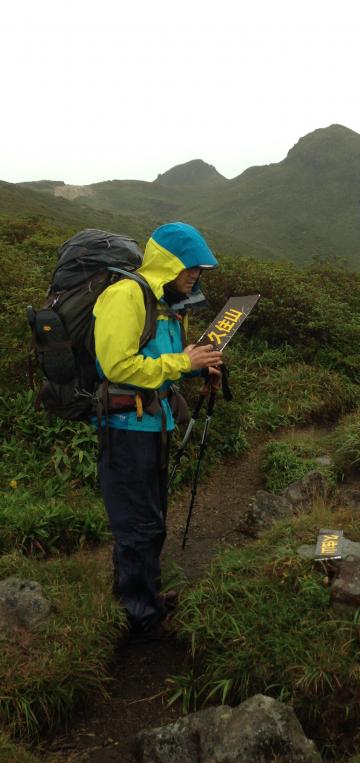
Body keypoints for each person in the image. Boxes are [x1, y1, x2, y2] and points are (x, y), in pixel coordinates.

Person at [93, 221, 223, 636]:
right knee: (137, 524)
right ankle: (139, 617)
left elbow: (156, 365)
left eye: (199, 270)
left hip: (153, 425)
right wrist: (184, 363)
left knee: (152, 517)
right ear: (170, 264)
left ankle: (145, 595)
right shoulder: (126, 295)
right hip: (126, 428)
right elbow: (118, 366)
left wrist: (193, 363)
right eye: (191, 268)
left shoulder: (163, 305)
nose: (196, 276)